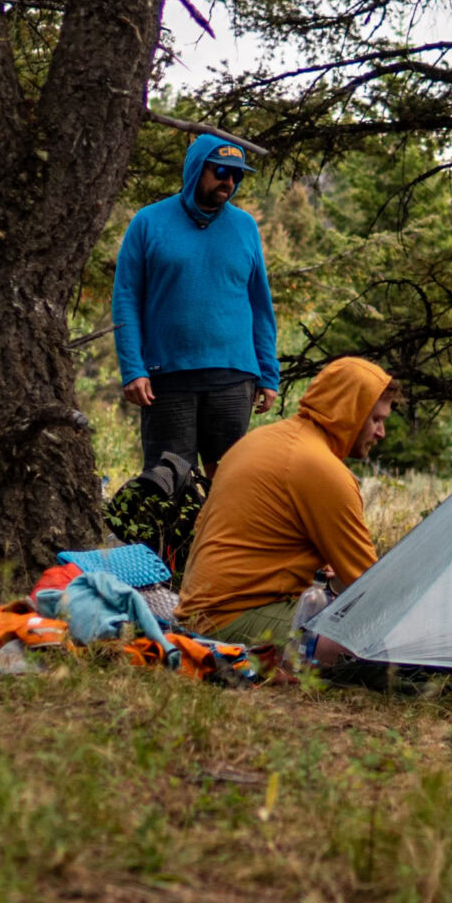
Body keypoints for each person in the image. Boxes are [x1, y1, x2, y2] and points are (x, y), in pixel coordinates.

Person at [176, 356, 397, 648]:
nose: (381, 433)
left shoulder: (265, 439)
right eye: (376, 420)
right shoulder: (322, 470)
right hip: (232, 621)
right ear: (349, 413)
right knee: (376, 644)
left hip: (197, 612)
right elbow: (369, 588)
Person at [111, 134, 281, 474]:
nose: (228, 182)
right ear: (195, 170)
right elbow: (126, 298)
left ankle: (219, 532)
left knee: (229, 483)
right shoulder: (148, 222)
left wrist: (268, 374)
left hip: (234, 376)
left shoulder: (245, 226)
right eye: (220, 171)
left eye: (237, 175)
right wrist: (133, 368)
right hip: (168, 376)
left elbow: (260, 306)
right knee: (168, 483)